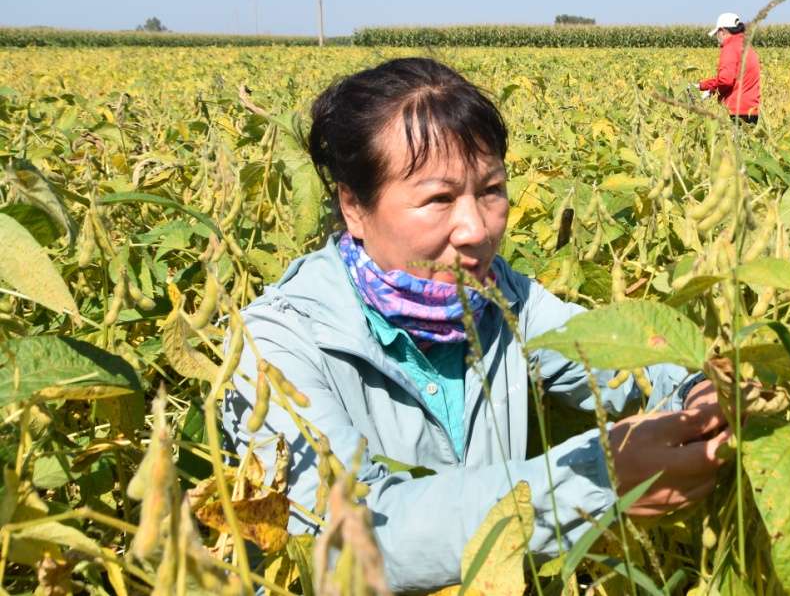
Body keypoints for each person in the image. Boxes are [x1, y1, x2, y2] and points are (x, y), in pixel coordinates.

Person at [223, 57, 727, 593]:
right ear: (354, 207)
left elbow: (623, 357)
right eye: (438, 199)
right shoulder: (273, 343)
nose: (477, 229)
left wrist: (702, 386)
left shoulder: (504, 298)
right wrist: (592, 482)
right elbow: (342, 541)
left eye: (490, 190)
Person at [698, 11, 761, 125]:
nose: (717, 37)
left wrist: (710, 89)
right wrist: (703, 86)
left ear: (722, 31)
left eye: (717, 33)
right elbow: (735, 79)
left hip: (736, 111)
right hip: (752, 111)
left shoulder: (730, 47)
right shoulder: (747, 47)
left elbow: (726, 80)